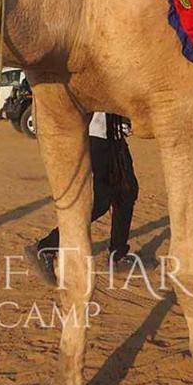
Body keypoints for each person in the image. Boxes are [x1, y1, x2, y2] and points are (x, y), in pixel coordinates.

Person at [25, 113, 140, 285]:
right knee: (101, 202)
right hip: (97, 135)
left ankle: (118, 255)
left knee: (126, 193)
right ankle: (45, 247)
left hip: (114, 136)